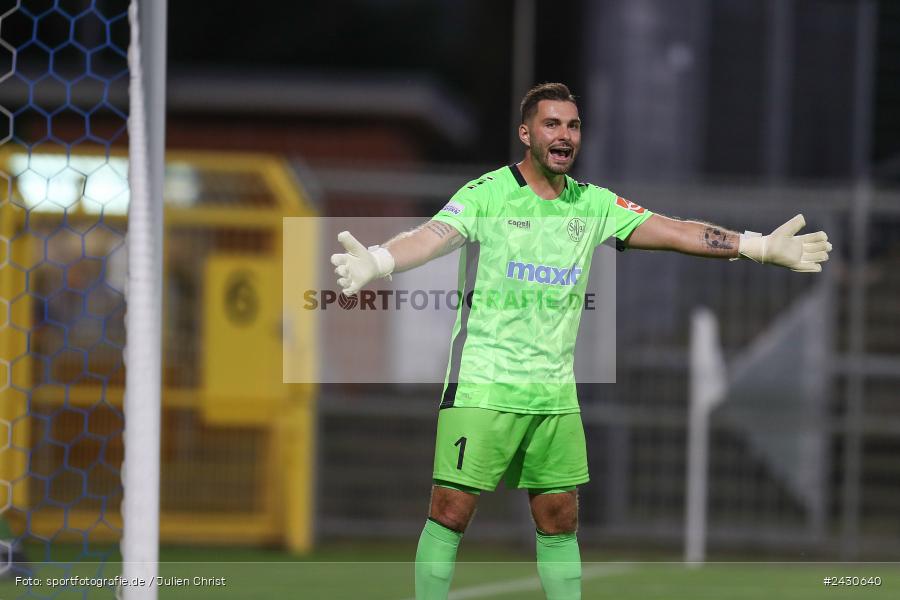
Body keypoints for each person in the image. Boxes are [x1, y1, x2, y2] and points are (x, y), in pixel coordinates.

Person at [330, 82, 831, 600]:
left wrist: (756, 246)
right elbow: (432, 236)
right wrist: (380, 260)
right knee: (450, 511)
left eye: (572, 125)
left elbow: (673, 230)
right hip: (483, 383)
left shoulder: (592, 204)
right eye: (551, 124)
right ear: (526, 133)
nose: (564, 135)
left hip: (554, 393)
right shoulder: (487, 194)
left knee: (559, 518)